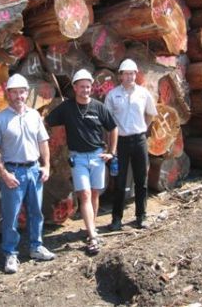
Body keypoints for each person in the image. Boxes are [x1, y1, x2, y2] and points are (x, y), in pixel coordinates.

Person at [0, 73, 55, 274]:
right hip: (13, 172)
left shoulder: (34, 115)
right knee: (12, 215)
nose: (19, 96)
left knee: (36, 212)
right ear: (8, 94)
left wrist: (47, 166)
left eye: (22, 92)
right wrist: (4, 173)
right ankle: (10, 253)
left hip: (34, 170)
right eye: (14, 92)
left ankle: (36, 246)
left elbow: (43, 142)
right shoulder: (0, 119)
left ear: (27, 93)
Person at [45, 69, 118, 255]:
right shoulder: (67, 107)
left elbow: (113, 128)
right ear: (75, 88)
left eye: (88, 86)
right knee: (84, 194)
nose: (85, 90)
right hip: (78, 158)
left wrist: (112, 151)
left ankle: (90, 228)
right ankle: (93, 235)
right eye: (82, 87)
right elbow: (48, 120)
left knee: (94, 195)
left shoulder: (98, 107)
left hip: (97, 157)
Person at [105, 59, 158, 231]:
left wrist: (142, 128)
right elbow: (107, 120)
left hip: (139, 140)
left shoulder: (143, 93)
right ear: (120, 76)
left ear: (136, 74)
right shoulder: (112, 95)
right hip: (120, 142)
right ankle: (116, 219)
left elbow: (150, 113)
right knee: (120, 181)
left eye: (132, 73)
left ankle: (141, 216)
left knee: (141, 180)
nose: (129, 77)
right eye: (125, 73)